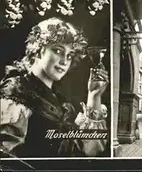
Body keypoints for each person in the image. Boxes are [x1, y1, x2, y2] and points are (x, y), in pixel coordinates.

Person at [0, 18, 109, 158]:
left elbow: (89, 150)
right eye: (58, 50)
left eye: (70, 55)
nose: (64, 61)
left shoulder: (61, 101)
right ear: (39, 49)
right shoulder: (16, 93)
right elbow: (6, 160)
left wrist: (94, 95)